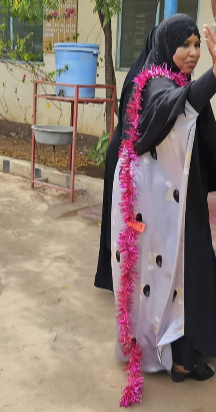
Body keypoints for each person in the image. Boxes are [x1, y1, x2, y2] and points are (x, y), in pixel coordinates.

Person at [111, 14, 216, 405]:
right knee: (171, 274)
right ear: (167, 45)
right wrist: (215, 76)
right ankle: (178, 357)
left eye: (196, 45)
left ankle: (188, 345)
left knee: (189, 269)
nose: (192, 53)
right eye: (184, 45)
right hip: (162, 206)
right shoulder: (155, 84)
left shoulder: (175, 80)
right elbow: (172, 106)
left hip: (182, 198)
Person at [94, 26, 157, 292]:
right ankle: (118, 280)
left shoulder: (157, 73)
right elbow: (134, 127)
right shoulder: (141, 78)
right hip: (126, 157)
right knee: (124, 219)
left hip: (132, 156)